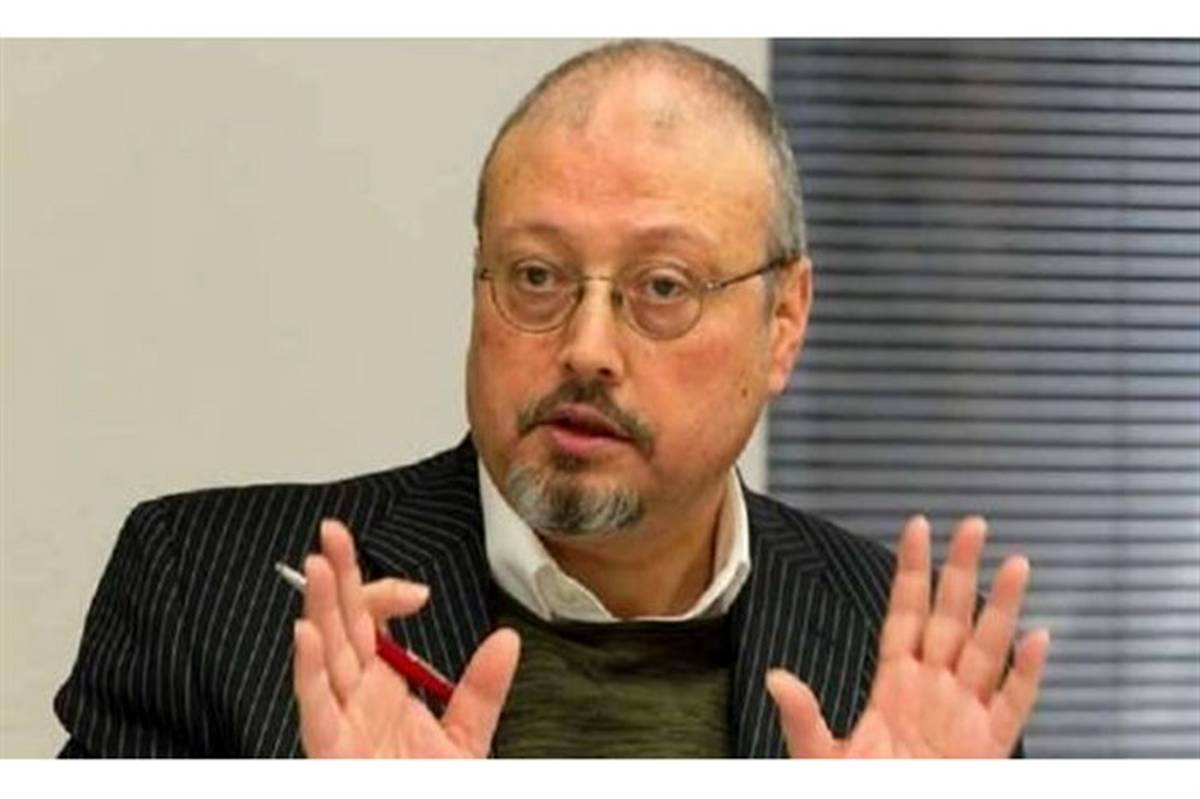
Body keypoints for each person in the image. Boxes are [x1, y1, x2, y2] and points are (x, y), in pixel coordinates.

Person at [54, 39, 1049, 758]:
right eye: (536, 276)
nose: (586, 349)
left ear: (783, 320)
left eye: (663, 286)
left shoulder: (916, 669)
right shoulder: (212, 591)